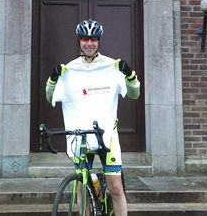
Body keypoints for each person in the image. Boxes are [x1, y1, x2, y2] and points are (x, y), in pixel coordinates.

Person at [45, 19, 140, 216]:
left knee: (115, 187)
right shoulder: (69, 69)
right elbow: (50, 97)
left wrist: (130, 76)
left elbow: (134, 95)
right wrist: (53, 80)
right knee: (81, 188)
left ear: (99, 41)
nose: (90, 43)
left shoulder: (111, 66)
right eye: (85, 39)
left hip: (107, 136)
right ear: (79, 41)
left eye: (94, 39)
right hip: (81, 137)